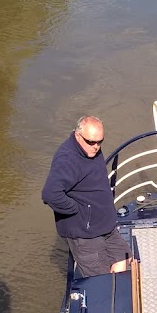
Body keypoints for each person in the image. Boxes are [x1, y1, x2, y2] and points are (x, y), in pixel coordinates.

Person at [42, 115, 131, 277]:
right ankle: (109, 298)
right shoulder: (67, 160)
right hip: (86, 235)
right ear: (77, 135)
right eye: (91, 142)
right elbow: (50, 194)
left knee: (123, 257)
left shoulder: (90, 149)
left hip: (105, 226)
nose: (96, 147)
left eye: (100, 142)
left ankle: (118, 290)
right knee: (101, 279)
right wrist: (77, 210)